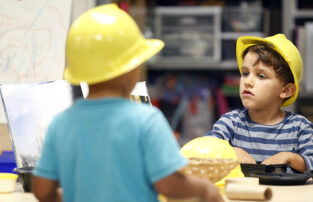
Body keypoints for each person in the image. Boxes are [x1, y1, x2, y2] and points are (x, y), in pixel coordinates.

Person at [32, 4, 224, 202]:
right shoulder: (146, 120)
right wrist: (204, 188)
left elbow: (42, 190)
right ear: (129, 69)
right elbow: (168, 184)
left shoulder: (61, 124)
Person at [206, 34, 313, 173]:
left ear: (286, 90)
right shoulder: (231, 122)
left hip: (286, 195)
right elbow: (204, 151)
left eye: (261, 76)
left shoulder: (299, 128)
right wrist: (231, 151)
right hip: (239, 194)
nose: (247, 82)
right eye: (245, 73)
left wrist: (290, 158)